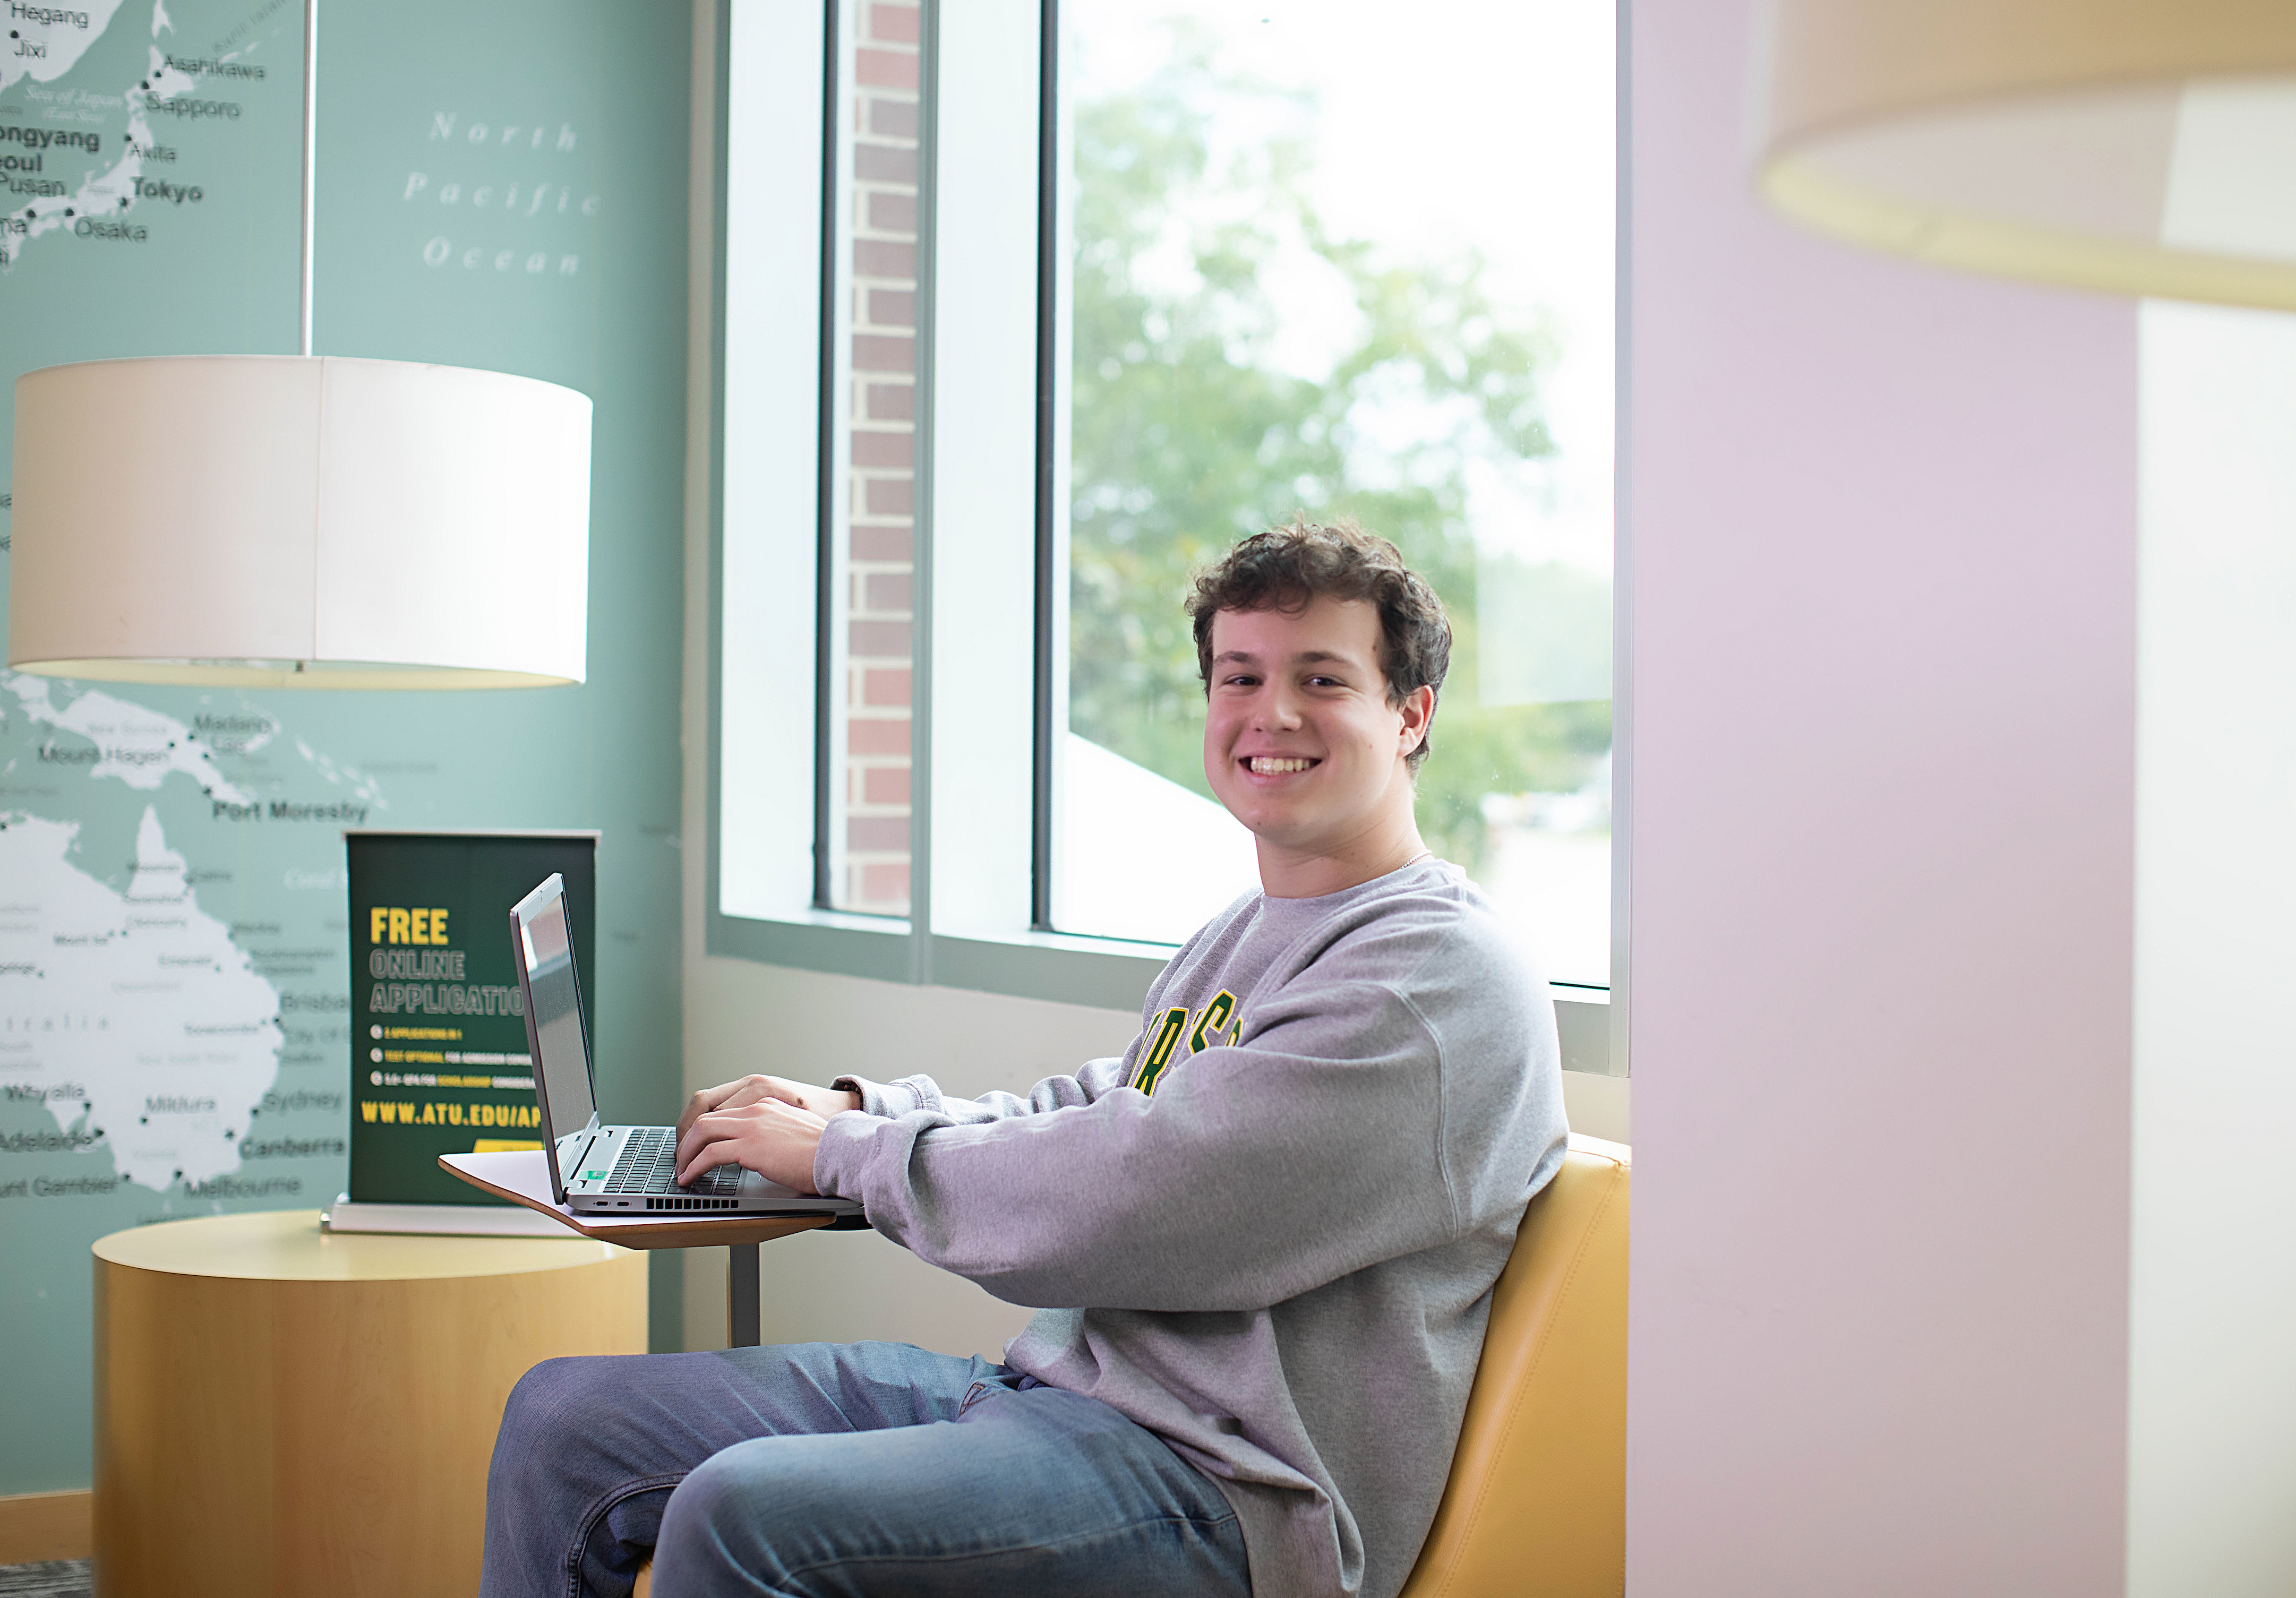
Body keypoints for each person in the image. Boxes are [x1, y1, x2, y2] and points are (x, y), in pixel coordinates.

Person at [478, 522, 1568, 1598]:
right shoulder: (1250, 929)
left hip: (1223, 1489)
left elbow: (1146, 1189)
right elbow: (1105, 1109)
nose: (1270, 713)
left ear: (1410, 714)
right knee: (566, 1422)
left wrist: (846, 1152)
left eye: (1321, 679)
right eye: (1241, 676)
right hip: (1056, 1397)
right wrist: (859, 1110)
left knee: (739, 1514)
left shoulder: (1434, 976)